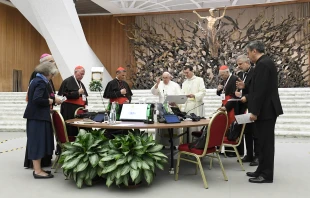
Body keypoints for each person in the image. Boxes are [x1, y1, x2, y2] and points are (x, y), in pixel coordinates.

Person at [243, 40, 283, 183]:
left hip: (266, 111)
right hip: (265, 110)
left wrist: (254, 111)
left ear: (255, 51)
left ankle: (266, 175)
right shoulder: (262, 64)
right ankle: (260, 170)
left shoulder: (264, 64)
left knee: (266, 144)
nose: (248, 56)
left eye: (248, 53)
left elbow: (260, 91)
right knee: (261, 142)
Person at [24, 53, 61, 169]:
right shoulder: (40, 80)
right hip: (38, 115)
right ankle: (37, 169)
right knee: (37, 141)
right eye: (51, 62)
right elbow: (37, 98)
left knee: (40, 141)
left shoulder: (40, 79)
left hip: (40, 113)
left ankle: (39, 166)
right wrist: (50, 101)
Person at [235, 55, 259, 166]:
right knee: (247, 132)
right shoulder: (240, 74)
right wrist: (239, 93)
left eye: (240, 64)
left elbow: (257, 90)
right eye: (238, 64)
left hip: (253, 106)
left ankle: (257, 156)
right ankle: (249, 154)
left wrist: (247, 96)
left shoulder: (254, 72)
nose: (238, 66)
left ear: (247, 62)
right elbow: (243, 89)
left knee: (255, 133)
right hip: (243, 107)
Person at [216, 65, 243, 157]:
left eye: (223, 75)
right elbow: (222, 93)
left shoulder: (235, 79)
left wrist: (226, 107)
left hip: (233, 106)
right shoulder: (224, 80)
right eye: (221, 75)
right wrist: (218, 90)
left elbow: (235, 96)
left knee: (234, 127)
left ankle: (236, 151)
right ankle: (228, 150)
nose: (222, 77)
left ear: (227, 72)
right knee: (227, 127)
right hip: (226, 105)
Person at [151, 72, 182, 146]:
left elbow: (179, 96)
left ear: (170, 77)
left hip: (172, 109)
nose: (164, 79)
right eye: (163, 78)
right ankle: (162, 144)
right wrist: (157, 84)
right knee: (162, 127)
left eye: (166, 78)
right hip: (162, 109)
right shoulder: (159, 84)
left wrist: (175, 103)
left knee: (173, 127)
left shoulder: (175, 85)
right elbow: (153, 92)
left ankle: (173, 144)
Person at [58, 66, 88, 136]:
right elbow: (64, 95)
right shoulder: (67, 81)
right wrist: (77, 93)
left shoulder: (81, 84)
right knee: (70, 128)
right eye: (81, 74)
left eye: (83, 74)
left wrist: (86, 105)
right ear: (75, 72)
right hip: (69, 109)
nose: (82, 76)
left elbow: (84, 97)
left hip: (79, 109)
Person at [181, 65, 206, 142]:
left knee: (195, 126)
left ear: (192, 71)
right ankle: (186, 144)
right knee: (187, 126)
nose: (186, 75)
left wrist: (194, 95)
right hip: (187, 106)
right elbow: (182, 94)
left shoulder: (199, 80)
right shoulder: (184, 83)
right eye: (184, 73)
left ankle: (196, 144)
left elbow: (203, 91)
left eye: (187, 72)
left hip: (196, 106)